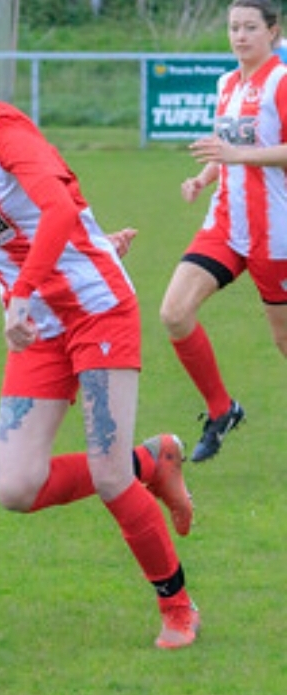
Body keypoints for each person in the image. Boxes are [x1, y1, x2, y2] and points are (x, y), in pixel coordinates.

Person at [0, 8, 199, 649]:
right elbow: (19, 231)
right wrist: (63, 259)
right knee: (15, 487)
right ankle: (155, 459)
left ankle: (177, 608)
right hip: (40, 326)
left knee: (110, 478)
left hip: (96, 312)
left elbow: (55, 205)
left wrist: (38, 284)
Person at [159, 0, 287, 463]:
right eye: (234, 27)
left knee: (283, 342)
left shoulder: (282, 82)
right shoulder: (226, 83)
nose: (240, 36)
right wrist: (205, 176)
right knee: (174, 312)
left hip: (276, 233)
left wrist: (236, 156)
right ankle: (222, 409)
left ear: (273, 31)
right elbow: (229, 148)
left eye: (250, 27)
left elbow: (264, 151)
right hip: (226, 226)